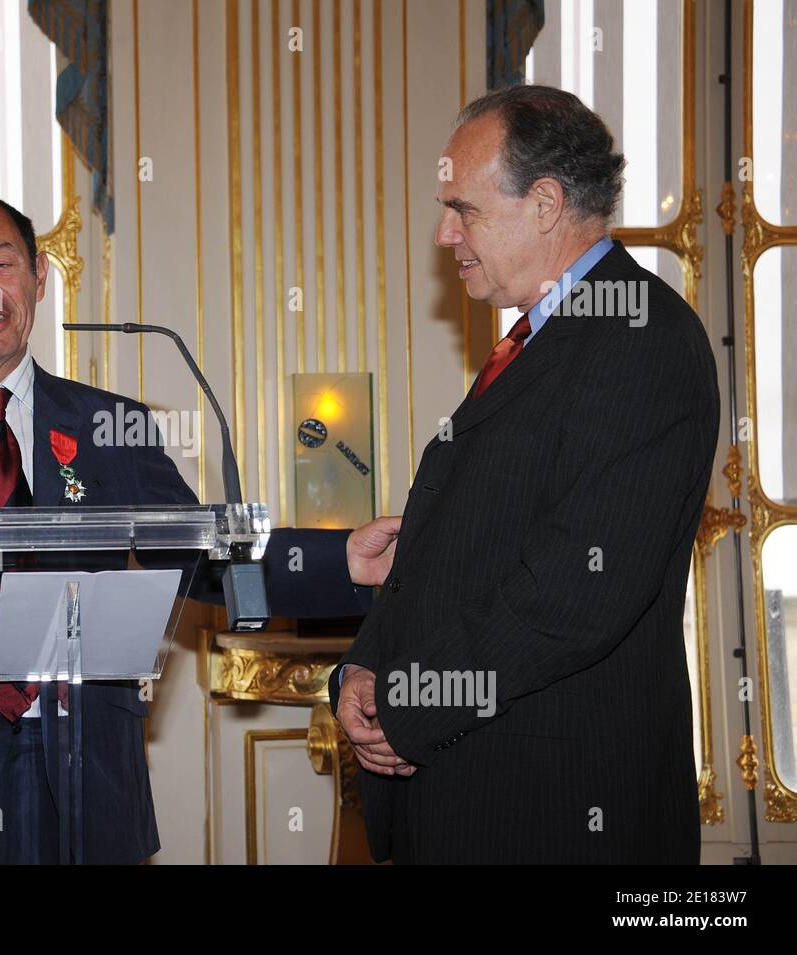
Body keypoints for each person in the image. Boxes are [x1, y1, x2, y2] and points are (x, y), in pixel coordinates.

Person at [0, 194, 399, 863]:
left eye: (3, 262)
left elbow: (203, 557)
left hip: (83, 782)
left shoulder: (111, 426)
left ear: (39, 276)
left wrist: (342, 559)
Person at [330, 85, 718, 864]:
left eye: (462, 208)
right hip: (473, 794)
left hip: (554, 808)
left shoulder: (642, 342)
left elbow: (573, 596)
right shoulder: (543, 339)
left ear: (544, 203)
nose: (444, 234)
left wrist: (411, 703)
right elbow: (444, 550)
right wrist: (365, 665)